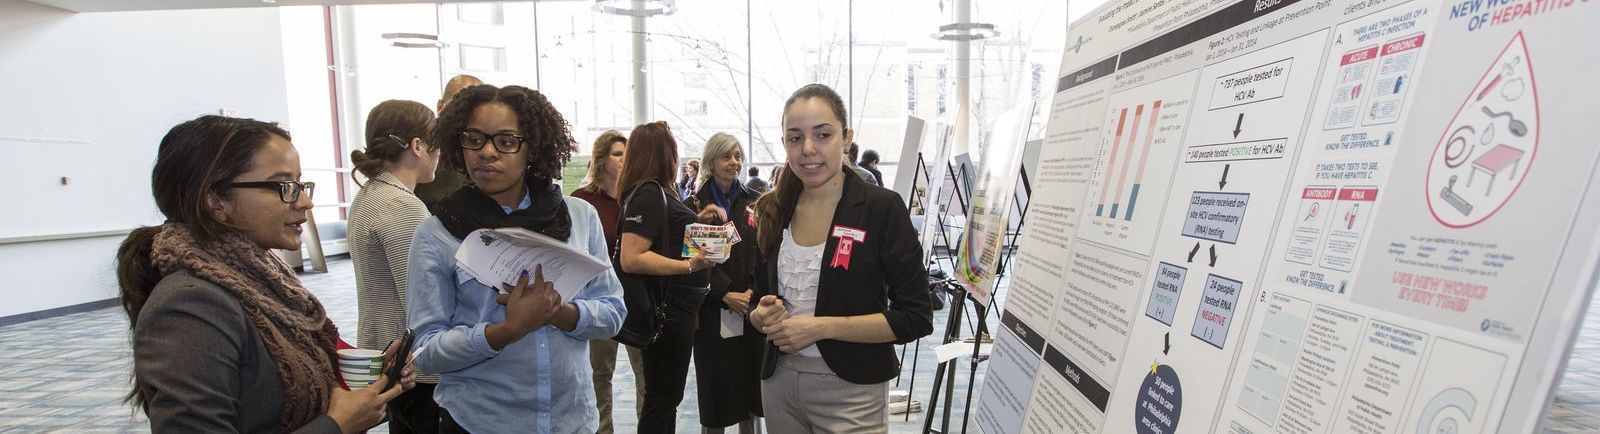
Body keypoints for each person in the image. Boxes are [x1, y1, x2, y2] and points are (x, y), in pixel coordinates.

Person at [118, 115, 414, 433]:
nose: (305, 201)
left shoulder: (266, 282)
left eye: (301, 185)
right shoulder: (190, 306)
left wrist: (366, 379)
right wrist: (337, 424)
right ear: (215, 200)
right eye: (284, 186)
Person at [406, 84, 625, 434]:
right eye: (474, 139)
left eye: (506, 141)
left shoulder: (579, 218)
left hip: (571, 419)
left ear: (532, 148)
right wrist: (506, 331)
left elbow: (613, 312)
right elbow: (425, 349)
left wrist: (560, 312)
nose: (487, 152)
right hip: (481, 422)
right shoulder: (437, 234)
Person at [748, 84, 935, 432]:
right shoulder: (775, 209)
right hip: (779, 385)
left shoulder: (881, 208)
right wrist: (762, 315)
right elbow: (756, 303)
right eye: (794, 138)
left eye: (822, 134)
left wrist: (820, 328)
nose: (807, 149)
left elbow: (916, 317)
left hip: (853, 391)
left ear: (846, 139)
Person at [616, 121, 724, 433]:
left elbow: (662, 236)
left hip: (675, 310)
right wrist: (690, 266)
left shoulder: (657, 193)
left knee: (665, 397)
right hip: (667, 312)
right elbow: (633, 258)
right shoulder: (649, 193)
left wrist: (693, 220)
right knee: (662, 398)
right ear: (665, 155)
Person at [346, 99, 442, 434]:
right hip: (413, 367)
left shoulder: (370, 194)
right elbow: (421, 299)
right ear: (418, 146)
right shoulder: (403, 205)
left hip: (383, 354)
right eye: (437, 147)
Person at [570, 130, 648, 434]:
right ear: (601, 158)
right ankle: (603, 430)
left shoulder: (639, 197)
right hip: (597, 298)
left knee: (645, 375)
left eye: (627, 154)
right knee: (599, 374)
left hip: (636, 299)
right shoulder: (582, 200)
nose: (624, 159)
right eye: (618, 153)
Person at [689, 133, 765, 433]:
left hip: (750, 306)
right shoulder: (694, 204)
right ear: (711, 161)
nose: (734, 162)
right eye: (726, 156)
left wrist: (751, 292)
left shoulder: (754, 202)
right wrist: (725, 293)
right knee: (716, 392)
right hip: (711, 308)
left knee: (751, 389)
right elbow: (694, 262)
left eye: (738, 156)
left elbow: (766, 251)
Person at [415, 74, 484, 210]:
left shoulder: (491, 150)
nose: (465, 114)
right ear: (440, 106)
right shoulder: (420, 149)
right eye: (458, 104)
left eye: (476, 108)